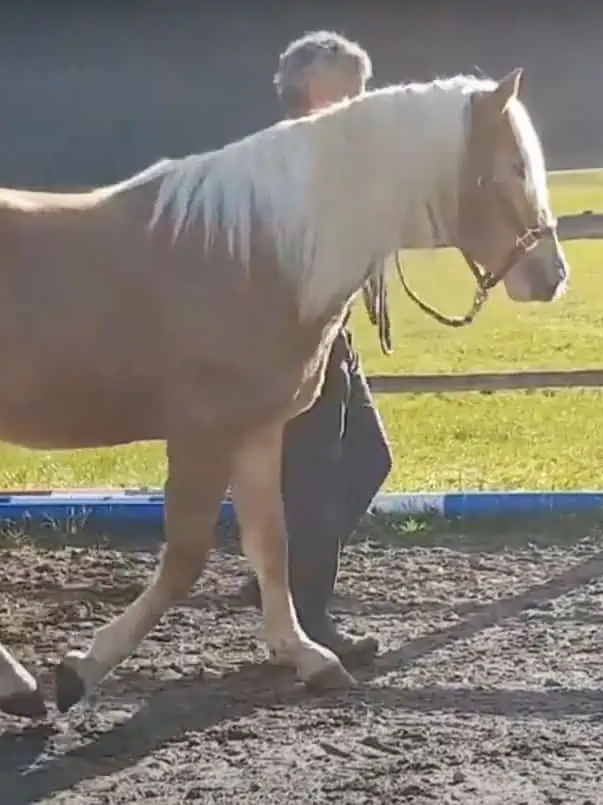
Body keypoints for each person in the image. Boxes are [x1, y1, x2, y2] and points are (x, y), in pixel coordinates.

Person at [236, 31, 392, 668]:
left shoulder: (339, 154)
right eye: (348, 84)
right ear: (307, 89)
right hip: (292, 342)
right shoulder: (284, 157)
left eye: (363, 84)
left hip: (332, 336)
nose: (361, 96)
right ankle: (310, 618)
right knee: (313, 480)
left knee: (369, 461)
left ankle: (280, 581)